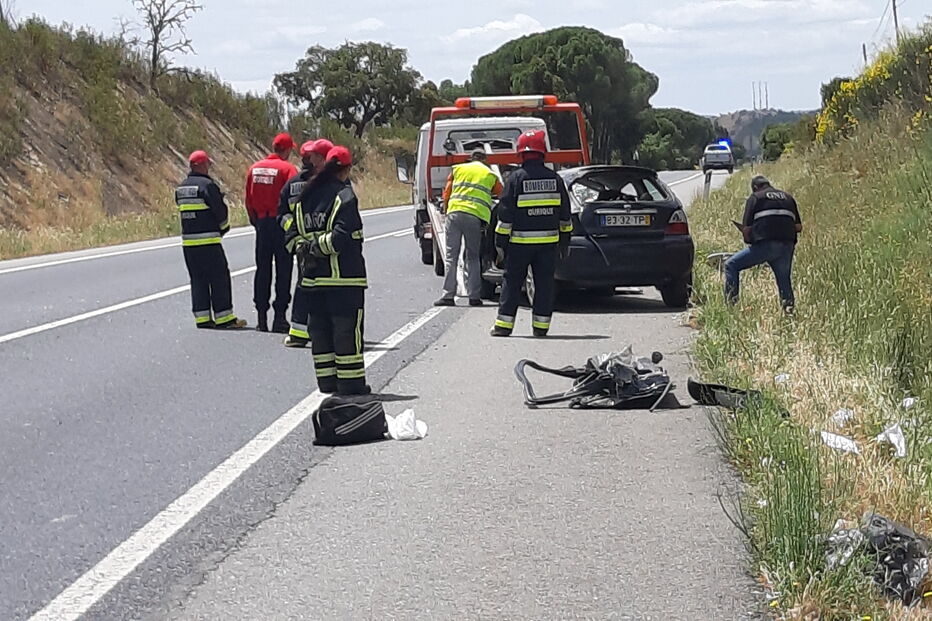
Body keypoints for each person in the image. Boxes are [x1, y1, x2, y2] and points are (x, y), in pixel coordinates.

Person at [289, 146, 370, 395]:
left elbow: (291, 237)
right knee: (347, 333)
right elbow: (339, 240)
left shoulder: (305, 198)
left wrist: (306, 249)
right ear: (345, 169)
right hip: (344, 280)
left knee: (321, 333)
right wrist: (317, 247)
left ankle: (326, 383)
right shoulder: (344, 196)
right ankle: (351, 385)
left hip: (312, 281)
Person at [491, 130, 572, 337]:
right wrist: (565, 241)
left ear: (521, 153)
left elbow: (505, 215)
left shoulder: (515, 179)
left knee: (512, 282)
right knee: (544, 284)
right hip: (548, 245)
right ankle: (541, 328)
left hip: (519, 244)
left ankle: (503, 326)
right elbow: (565, 215)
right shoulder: (555, 179)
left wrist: (500, 243)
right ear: (542, 152)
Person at [175, 150, 247, 330]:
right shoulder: (207, 186)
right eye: (207, 164)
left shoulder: (181, 188)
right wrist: (223, 228)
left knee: (197, 279)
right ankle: (225, 318)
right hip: (208, 241)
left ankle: (202, 318)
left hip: (189, 244)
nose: (209, 167)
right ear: (200, 165)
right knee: (219, 278)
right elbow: (220, 211)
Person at [278, 138, 334, 348]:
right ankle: (323, 331)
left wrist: (295, 235)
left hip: (302, 246)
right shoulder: (328, 183)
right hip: (323, 245)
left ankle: (299, 332)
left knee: (303, 286)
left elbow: (281, 214)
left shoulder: (291, 184)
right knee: (328, 288)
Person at [434, 148, 503, 307]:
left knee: (451, 256)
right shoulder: (489, 174)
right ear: (485, 160)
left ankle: (448, 295)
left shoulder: (458, 169)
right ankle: (474, 297)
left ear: (470, 159)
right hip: (474, 217)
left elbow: (447, 193)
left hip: (454, 214)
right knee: (472, 257)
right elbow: (501, 194)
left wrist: (446, 211)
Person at [724, 175, 802, 312]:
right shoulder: (788, 197)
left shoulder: (755, 198)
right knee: (784, 281)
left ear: (755, 188)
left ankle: (731, 308)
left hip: (766, 245)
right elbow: (798, 227)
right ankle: (789, 313)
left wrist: (751, 238)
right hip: (787, 245)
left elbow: (747, 230)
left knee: (731, 265)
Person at [246, 133, 299, 333]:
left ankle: (261, 317)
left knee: (262, 270)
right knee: (283, 270)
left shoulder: (254, 168)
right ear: (286, 150)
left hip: (261, 223)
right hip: (280, 224)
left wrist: (257, 221)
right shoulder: (288, 169)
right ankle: (279, 317)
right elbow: (294, 196)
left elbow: (248, 199)